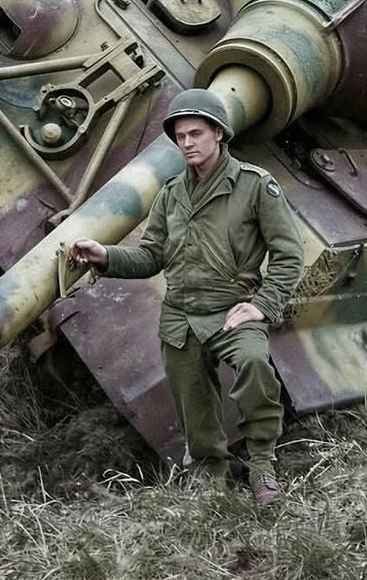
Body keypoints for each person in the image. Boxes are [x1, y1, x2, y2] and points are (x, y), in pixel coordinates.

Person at [68, 88, 303, 505]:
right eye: (180, 136)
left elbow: (289, 255)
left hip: (234, 311)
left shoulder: (254, 187)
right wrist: (104, 255)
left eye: (196, 133)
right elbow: (151, 255)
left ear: (218, 134)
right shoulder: (172, 192)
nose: (188, 143)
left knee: (253, 366)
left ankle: (263, 468)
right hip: (181, 317)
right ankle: (211, 477)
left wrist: (262, 306)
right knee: (194, 407)